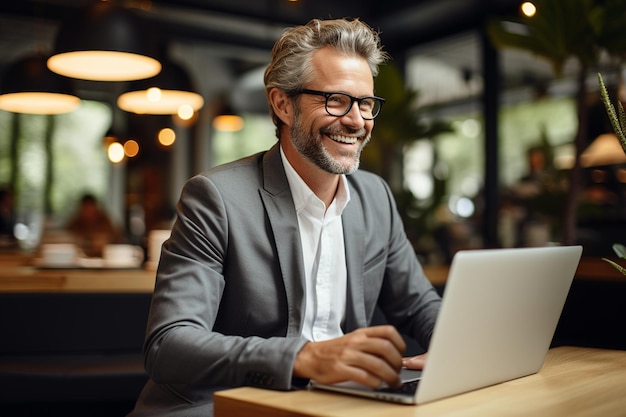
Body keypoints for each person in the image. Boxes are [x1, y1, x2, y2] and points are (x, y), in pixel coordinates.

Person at [128, 17, 441, 417]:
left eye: (365, 103)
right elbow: (168, 345)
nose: (357, 121)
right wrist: (303, 358)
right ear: (282, 104)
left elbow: (419, 305)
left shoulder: (375, 196)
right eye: (336, 100)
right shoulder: (215, 197)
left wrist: (450, 348)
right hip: (225, 404)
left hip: (340, 403)